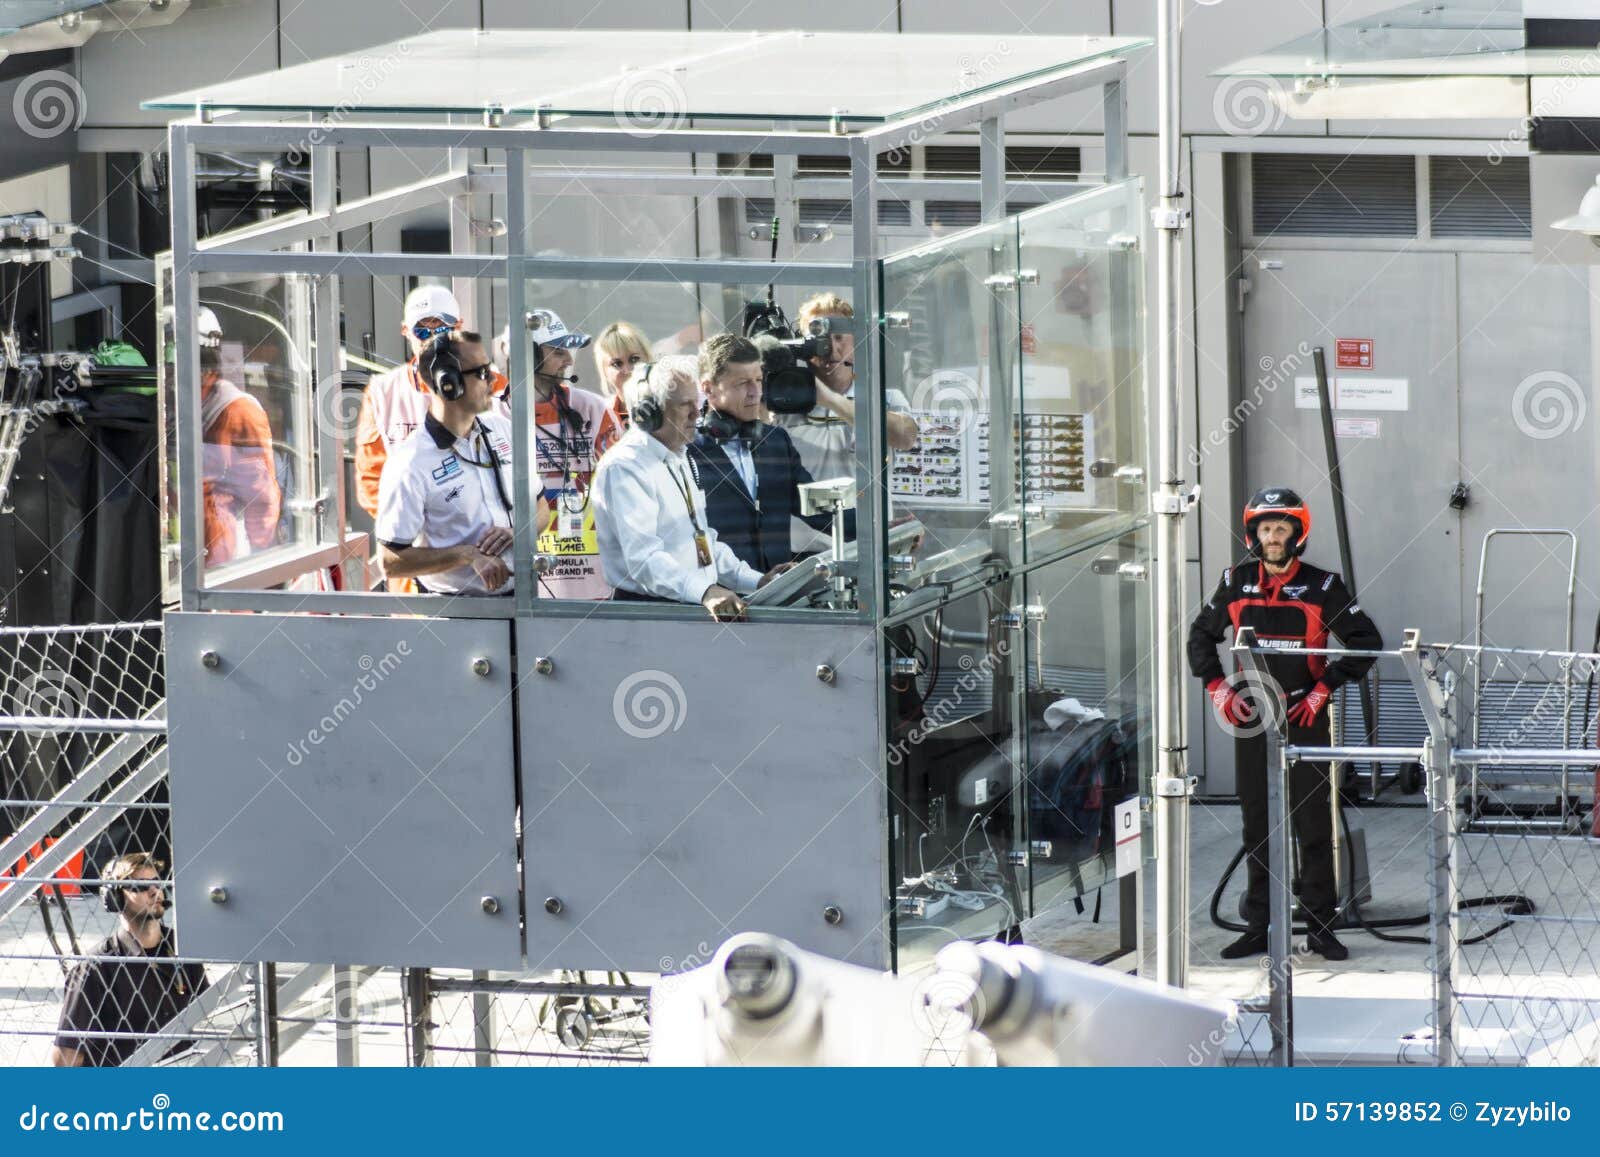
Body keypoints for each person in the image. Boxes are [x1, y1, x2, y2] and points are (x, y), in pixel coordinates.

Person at [1186, 487, 1383, 963]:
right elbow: (1199, 636)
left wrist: (1324, 689)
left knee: (1312, 827)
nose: (1272, 538)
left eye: (1281, 529)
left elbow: (1367, 640)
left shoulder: (1323, 585)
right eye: (1264, 529)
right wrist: (1217, 688)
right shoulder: (1235, 580)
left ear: (1298, 534)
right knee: (1258, 826)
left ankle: (1320, 928)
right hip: (1254, 721)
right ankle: (1261, 925)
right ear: (1253, 534)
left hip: (1305, 719)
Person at [591, 359, 792, 620]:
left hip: (687, 604)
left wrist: (756, 581)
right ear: (649, 412)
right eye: (685, 405)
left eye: (696, 403)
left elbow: (702, 541)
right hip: (650, 613)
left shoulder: (679, 454)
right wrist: (705, 591)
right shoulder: (625, 467)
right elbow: (643, 561)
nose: (697, 414)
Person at [686, 334, 851, 573]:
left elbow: (817, 508)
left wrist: (882, 531)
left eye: (759, 380)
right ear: (708, 389)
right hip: (718, 597)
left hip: (776, 595)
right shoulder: (687, 451)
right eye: (742, 383)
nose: (755, 392)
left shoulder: (776, 441)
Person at [767, 293, 919, 552]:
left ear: (856, 343)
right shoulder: (781, 404)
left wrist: (830, 400)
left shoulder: (884, 398)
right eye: (818, 340)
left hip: (867, 544)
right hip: (802, 550)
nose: (830, 349)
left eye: (839, 338)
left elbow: (905, 437)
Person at [375, 331, 518, 597]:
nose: (494, 380)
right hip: (456, 615)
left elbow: (540, 506)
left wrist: (516, 530)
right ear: (448, 384)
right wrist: (466, 555)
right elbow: (389, 562)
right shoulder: (409, 462)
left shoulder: (503, 430)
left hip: (519, 603)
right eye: (483, 372)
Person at [354, 284, 510, 519]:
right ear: (406, 331)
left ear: (459, 327)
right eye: (423, 331)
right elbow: (371, 477)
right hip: (417, 536)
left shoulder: (494, 384)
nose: (433, 339)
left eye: (442, 329)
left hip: (486, 530)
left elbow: (521, 464)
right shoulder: (381, 392)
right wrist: (407, 527)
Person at [52, 852, 209, 1067]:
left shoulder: (183, 949)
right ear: (115, 898)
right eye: (140, 886)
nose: (154, 891)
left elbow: (208, 1019)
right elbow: (65, 1058)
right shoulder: (95, 967)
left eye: (156, 882)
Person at [523, 309, 621, 599]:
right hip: (529, 579)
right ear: (527, 357)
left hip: (594, 577)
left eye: (568, 350)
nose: (568, 359)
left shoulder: (593, 408)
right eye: (557, 351)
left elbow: (621, 487)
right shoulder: (497, 416)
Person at [195, 306, 281, 567]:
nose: (167, 372)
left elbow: (261, 498)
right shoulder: (174, 406)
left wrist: (260, 572)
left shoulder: (237, 411)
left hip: (221, 564)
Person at [592, 320, 653, 431]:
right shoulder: (599, 417)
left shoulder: (670, 407)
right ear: (604, 371)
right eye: (617, 364)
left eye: (634, 359)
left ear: (648, 359)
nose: (627, 370)